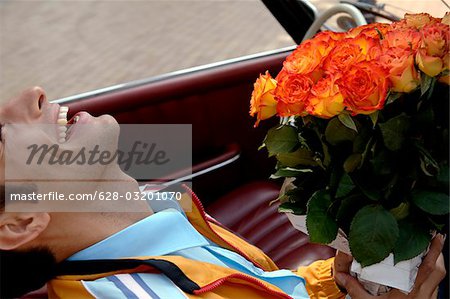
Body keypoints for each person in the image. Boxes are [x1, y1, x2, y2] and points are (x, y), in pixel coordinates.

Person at [0, 87, 446, 299]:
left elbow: (276, 289)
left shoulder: (153, 218)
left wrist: (344, 282)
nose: (30, 95)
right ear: (20, 220)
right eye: (2, 136)